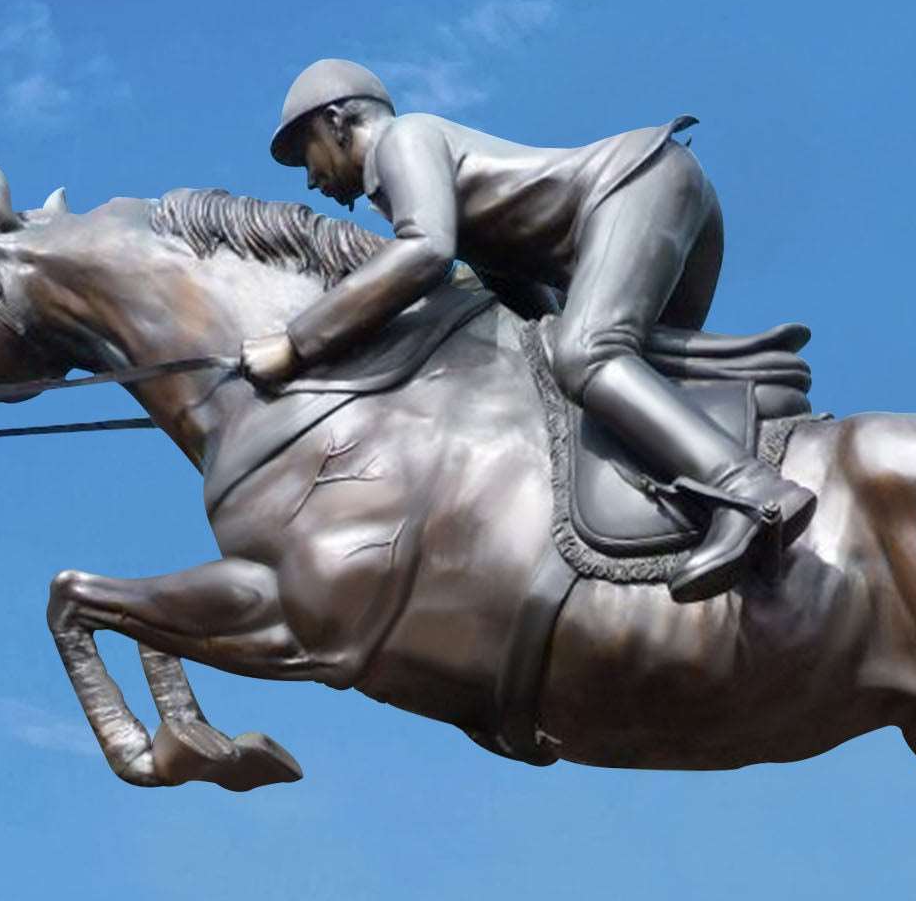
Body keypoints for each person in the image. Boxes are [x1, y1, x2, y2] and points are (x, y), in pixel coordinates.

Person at [248, 59, 815, 603]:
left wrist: (297, 343)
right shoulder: (463, 202)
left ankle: (750, 490)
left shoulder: (405, 140)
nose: (312, 180)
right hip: (654, 192)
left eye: (307, 155)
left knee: (588, 355)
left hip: (637, 189)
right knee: (618, 379)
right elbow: (528, 310)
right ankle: (748, 426)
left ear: (336, 120)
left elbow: (425, 251)